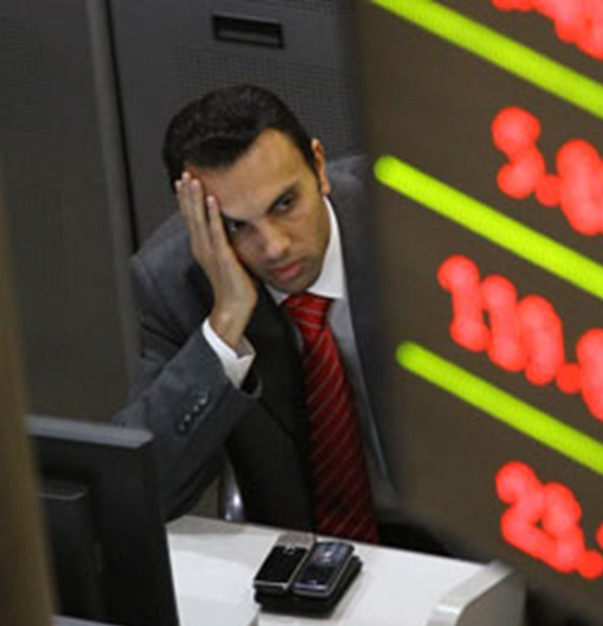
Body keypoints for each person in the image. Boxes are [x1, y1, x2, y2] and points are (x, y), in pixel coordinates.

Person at [113, 84, 427, 549]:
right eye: (236, 226)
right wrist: (224, 325)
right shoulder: (175, 282)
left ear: (318, 166)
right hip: (305, 558)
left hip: (461, 543)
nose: (275, 246)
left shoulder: (414, 217)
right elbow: (139, 493)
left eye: (285, 204)